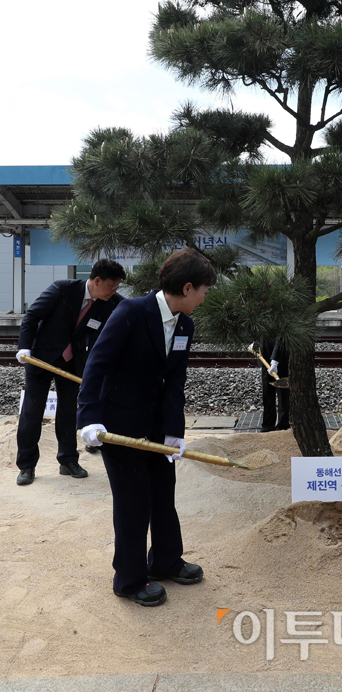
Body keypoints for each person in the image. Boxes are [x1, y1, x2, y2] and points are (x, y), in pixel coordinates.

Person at [77, 248, 216, 606]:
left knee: (162, 494)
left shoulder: (185, 324)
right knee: (133, 502)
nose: (205, 297)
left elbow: (175, 382)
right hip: (118, 426)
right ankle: (129, 579)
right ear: (187, 288)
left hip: (156, 427)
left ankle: (166, 561)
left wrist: (174, 431)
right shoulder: (131, 312)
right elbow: (97, 364)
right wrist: (89, 416)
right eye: (204, 289)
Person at [15, 259, 126, 486]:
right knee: (32, 413)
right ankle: (26, 465)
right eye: (111, 286)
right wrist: (24, 347)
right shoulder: (62, 289)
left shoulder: (108, 302)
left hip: (72, 364)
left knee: (68, 414)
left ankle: (68, 461)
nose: (114, 291)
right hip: (41, 360)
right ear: (97, 280)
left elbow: (133, 309)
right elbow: (31, 316)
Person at [259, 338, 290, 432]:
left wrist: (275, 361)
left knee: (283, 395)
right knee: (267, 394)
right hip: (265, 360)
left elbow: (281, 339)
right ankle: (268, 425)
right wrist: (256, 344)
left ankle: (283, 425)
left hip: (281, 360)